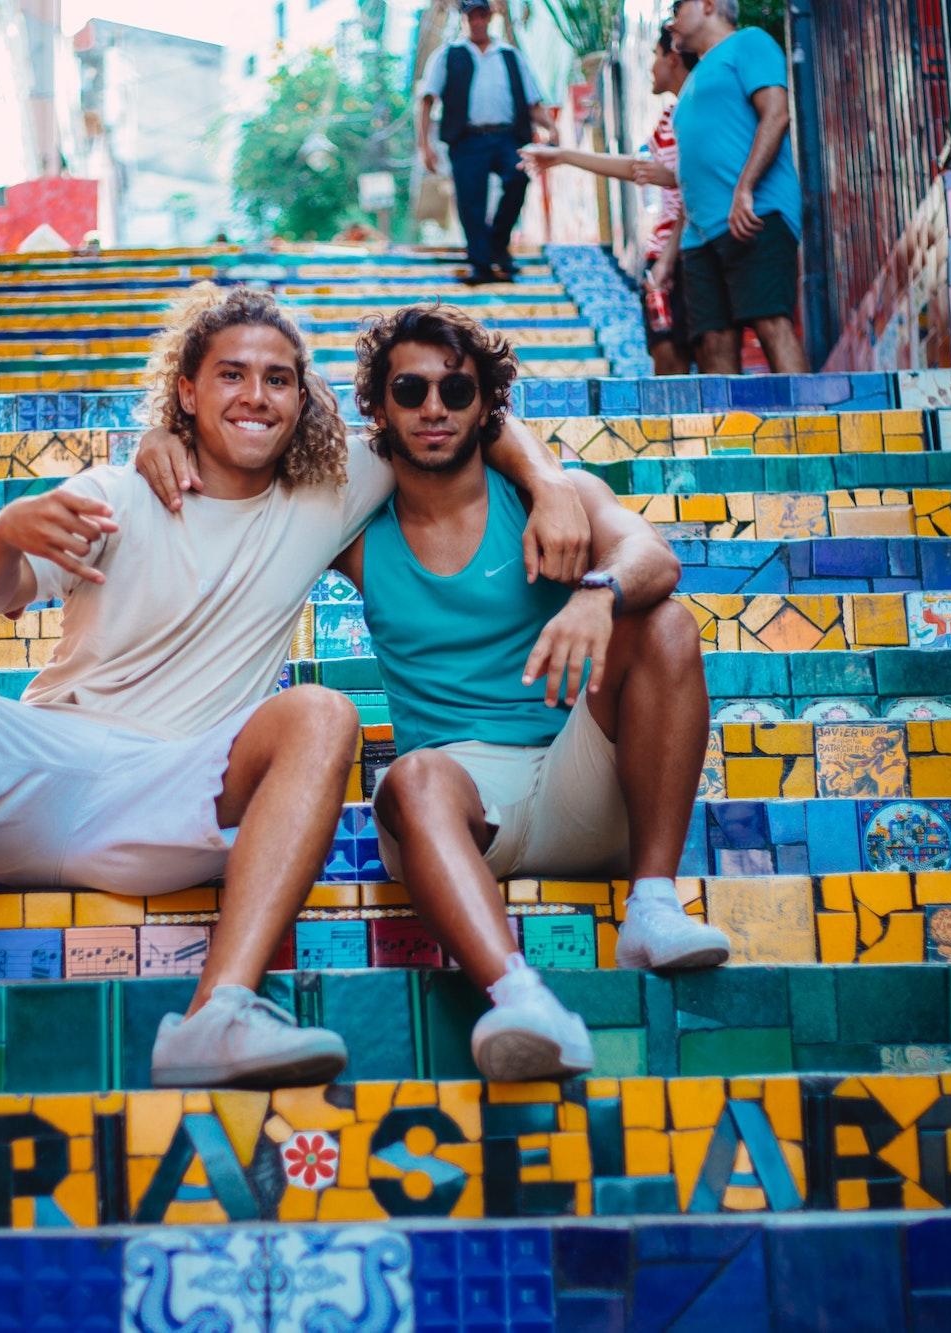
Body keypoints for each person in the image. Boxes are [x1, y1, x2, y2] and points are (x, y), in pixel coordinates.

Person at [0, 284, 587, 1099]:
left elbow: (463, 410)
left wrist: (551, 484)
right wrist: (4, 527)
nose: (255, 396)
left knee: (321, 710)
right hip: (44, 762)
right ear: (186, 391)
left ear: (302, 398)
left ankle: (221, 1010)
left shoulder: (329, 490)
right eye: (231, 375)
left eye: (279, 379)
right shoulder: (117, 493)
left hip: (179, 794)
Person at [335, 305, 728, 1082]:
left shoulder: (555, 497)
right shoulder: (354, 529)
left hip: (578, 774)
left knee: (668, 625)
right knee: (408, 776)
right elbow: (253, 463)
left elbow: (653, 554)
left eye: (457, 389)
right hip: (456, 807)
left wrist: (596, 593)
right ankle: (522, 999)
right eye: (409, 390)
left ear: (488, 405)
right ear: (377, 407)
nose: (434, 409)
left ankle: (652, 902)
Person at [520, 20, 694, 375]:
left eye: (655, 56)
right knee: (664, 353)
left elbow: (694, 188)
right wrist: (564, 156)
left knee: (679, 354)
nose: (650, 66)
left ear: (673, 59)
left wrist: (667, 258)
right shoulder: (670, 118)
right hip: (666, 252)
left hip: (681, 252)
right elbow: (637, 168)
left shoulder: (691, 115)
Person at [665, 0, 809, 374]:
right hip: (699, 237)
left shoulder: (749, 43)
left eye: (676, 9)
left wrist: (744, 188)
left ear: (708, 5)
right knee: (713, 343)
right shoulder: (695, 77)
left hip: (754, 212)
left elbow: (776, 114)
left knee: (771, 325)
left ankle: (812, 429)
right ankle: (729, 433)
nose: (670, 23)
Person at [416, 1, 558, 286]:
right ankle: (481, 264)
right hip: (466, 139)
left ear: (490, 17)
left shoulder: (510, 56)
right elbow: (427, 100)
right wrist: (425, 146)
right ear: (463, 19)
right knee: (471, 202)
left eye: (482, 15)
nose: (477, 21)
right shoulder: (447, 55)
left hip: (507, 136)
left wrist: (552, 129)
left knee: (518, 178)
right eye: (471, 16)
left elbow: (532, 101)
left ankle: (497, 245)